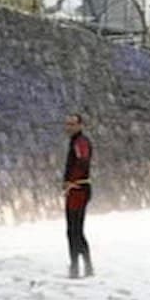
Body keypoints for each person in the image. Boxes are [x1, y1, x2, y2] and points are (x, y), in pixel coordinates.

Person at [63, 113, 93, 278]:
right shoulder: (76, 141)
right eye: (67, 124)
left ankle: (79, 266)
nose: (69, 127)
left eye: (72, 124)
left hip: (78, 190)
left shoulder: (81, 142)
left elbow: (82, 161)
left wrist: (72, 180)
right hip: (76, 189)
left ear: (80, 125)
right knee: (74, 230)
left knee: (74, 230)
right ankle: (82, 266)